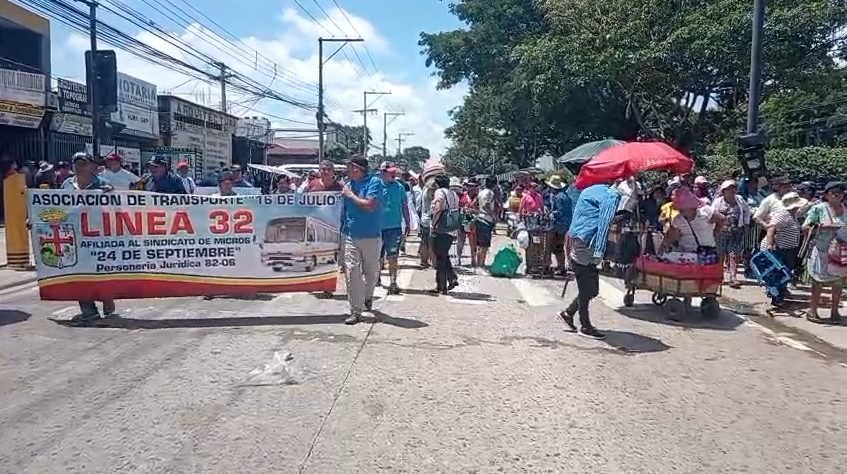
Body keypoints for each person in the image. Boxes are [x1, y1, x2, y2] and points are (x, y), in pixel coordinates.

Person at [558, 182, 620, 339]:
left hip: (579, 242)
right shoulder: (610, 197)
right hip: (586, 246)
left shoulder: (589, 192)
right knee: (586, 289)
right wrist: (599, 251)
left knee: (592, 290)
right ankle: (585, 325)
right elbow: (604, 224)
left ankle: (568, 313)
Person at [62, 152, 116, 324]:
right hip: (74, 236)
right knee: (79, 273)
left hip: (98, 237)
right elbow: (56, 206)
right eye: (76, 163)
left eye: (83, 163)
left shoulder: (103, 184)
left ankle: (106, 296)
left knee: (99, 272)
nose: (79, 166)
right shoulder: (66, 185)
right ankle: (89, 311)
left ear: (92, 166)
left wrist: (110, 194)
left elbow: (117, 209)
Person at [340, 156, 383, 325]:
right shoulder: (348, 185)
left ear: (356, 168)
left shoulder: (374, 182)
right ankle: (356, 310)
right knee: (351, 271)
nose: (346, 170)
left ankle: (368, 297)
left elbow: (369, 205)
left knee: (371, 272)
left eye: (348, 167)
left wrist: (350, 195)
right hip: (351, 234)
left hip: (371, 235)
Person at [802, 181, 847, 324]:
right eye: (833, 192)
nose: (837, 194)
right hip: (822, 250)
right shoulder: (819, 209)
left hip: (841, 251)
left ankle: (834, 312)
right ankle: (812, 311)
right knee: (818, 282)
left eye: (840, 192)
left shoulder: (845, 209)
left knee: (838, 283)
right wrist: (825, 227)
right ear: (826, 195)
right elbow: (805, 227)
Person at [762, 192, 805, 306]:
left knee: (784, 273)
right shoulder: (782, 215)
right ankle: (777, 298)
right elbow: (771, 229)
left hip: (789, 248)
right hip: (780, 249)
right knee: (780, 274)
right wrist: (770, 246)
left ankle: (780, 294)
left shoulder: (792, 214)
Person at [712, 180, 751, 288]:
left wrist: (746, 224)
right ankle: (719, 276)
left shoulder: (740, 199)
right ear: (724, 191)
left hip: (736, 231)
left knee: (734, 255)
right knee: (720, 254)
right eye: (729, 188)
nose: (732, 190)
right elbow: (712, 214)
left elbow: (747, 211)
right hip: (721, 232)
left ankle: (733, 277)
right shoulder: (718, 201)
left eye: (733, 188)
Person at [660, 188, 724, 254]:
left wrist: (716, 233)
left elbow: (722, 219)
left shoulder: (705, 211)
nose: (680, 210)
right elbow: (670, 236)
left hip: (708, 253)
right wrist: (664, 246)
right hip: (687, 254)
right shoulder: (677, 220)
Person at [379, 161, 410, 294]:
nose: (392, 174)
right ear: (382, 172)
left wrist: (408, 222)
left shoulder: (399, 187)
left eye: (393, 171)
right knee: (377, 256)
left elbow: (404, 205)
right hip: (376, 227)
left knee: (393, 256)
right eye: (389, 171)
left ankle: (393, 282)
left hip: (394, 227)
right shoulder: (375, 186)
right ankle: (376, 278)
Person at [430, 174, 460, 294]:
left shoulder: (439, 192)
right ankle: (451, 278)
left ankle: (441, 285)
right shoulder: (454, 194)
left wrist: (433, 223)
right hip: (451, 228)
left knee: (439, 257)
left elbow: (438, 208)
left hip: (442, 227)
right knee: (443, 254)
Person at [547, 175, 572, 274]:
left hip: (560, 226)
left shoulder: (559, 197)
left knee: (557, 246)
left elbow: (559, 212)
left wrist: (550, 214)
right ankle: (560, 266)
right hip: (565, 225)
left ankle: (561, 267)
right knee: (559, 246)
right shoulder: (565, 195)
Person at [475, 176, 498, 269]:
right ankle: (481, 265)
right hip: (486, 220)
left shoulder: (481, 193)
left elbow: (475, 204)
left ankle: (478, 263)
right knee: (484, 245)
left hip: (479, 218)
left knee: (479, 244)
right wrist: (494, 215)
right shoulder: (490, 193)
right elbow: (486, 205)